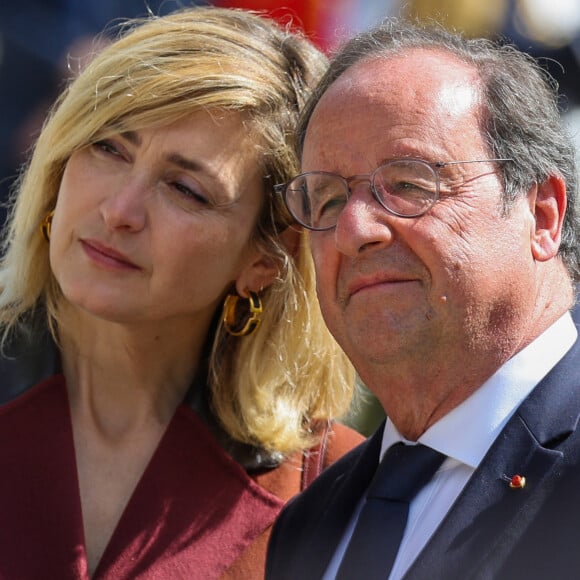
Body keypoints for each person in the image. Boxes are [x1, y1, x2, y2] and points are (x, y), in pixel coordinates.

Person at [0, 6, 364, 579]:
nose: (119, 211)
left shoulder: (339, 488)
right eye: (108, 147)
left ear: (264, 261)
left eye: (185, 190)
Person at [266, 17, 580, 580]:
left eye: (409, 183)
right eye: (328, 201)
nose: (355, 229)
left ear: (542, 215)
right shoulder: (306, 525)